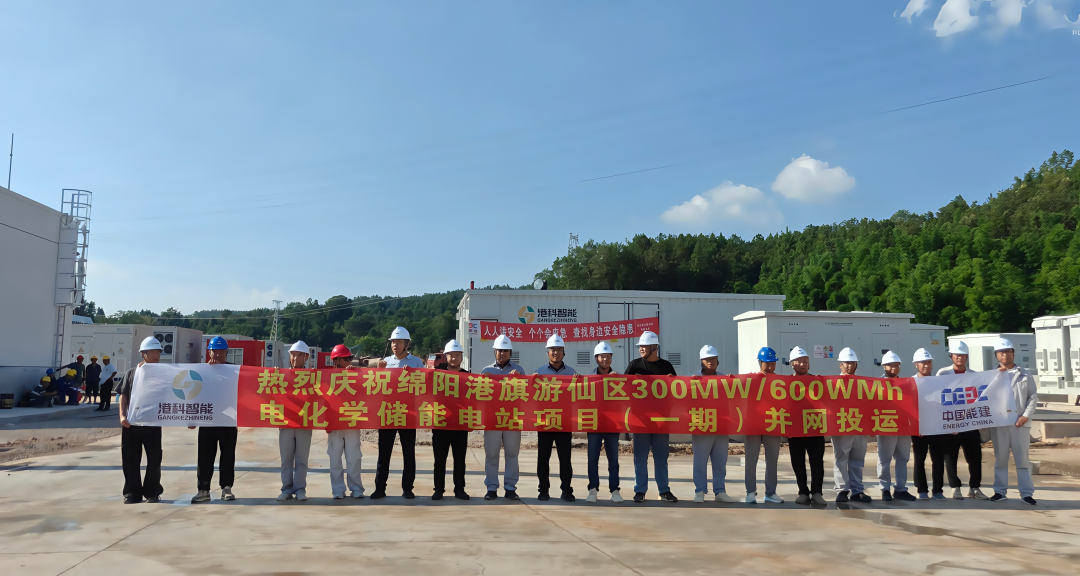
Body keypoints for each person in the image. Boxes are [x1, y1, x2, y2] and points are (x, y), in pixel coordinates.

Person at [625, 330, 678, 503]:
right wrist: (631, 381)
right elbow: (622, 389)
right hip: (640, 419)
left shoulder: (666, 367)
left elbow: (677, 392)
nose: (641, 349)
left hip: (661, 420)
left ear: (654, 347)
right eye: (640, 346)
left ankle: (664, 490)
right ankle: (640, 490)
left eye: (644, 346)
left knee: (661, 457)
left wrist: (672, 381)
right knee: (640, 458)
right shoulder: (634, 366)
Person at [372, 326, 424, 499]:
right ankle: (380, 488)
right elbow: (375, 388)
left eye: (399, 342)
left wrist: (413, 375)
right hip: (388, 412)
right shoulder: (385, 362)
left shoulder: (416, 362)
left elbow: (425, 385)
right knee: (384, 453)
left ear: (407, 344)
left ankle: (408, 488)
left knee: (408, 453)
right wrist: (379, 372)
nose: (395, 345)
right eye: (393, 342)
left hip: (408, 413)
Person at [936, 340, 987, 500]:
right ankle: (955, 487)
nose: (960, 357)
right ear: (951, 356)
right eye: (956, 355)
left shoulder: (974, 375)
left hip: (970, 423)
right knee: (950, 458)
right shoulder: (942, 374)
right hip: (951, 424)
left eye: (963, 355)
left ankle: (975, 487)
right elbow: (939, 398)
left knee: (975, 458)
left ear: (967, 356)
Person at [989, 338, 1038, 505]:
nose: (1004, 355)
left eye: (1007, 351)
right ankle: (999, 491)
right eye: (1001, 352)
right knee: (1001, 459)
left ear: (1013, 353)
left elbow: (1033, 397)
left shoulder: (1025, 374)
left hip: (1020, 424)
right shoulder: (991, 376)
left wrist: (1026, 415)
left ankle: (1026, 493)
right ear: (996, 355)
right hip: (999, 424)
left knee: (1022, 459)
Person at [191, 336, 238, 504]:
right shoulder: (203, 372)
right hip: (207, 420)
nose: (217, 354)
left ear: (226, 352)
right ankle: (203, 490)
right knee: (204, 457)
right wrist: (192, 417)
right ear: (209, 352)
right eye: (214, 351)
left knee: (228, 456)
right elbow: (195, 393)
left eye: (221, 351)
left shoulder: (235, 371)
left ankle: (227, 488)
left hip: (228, 420)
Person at [119, 337, 165, 504]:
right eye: (152, 351)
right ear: (143, 354)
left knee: (154, 459)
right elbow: (123, 395)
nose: (156, 355)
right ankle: (132, 493)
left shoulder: (164, 374)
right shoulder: (132, 373)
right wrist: (122, 416)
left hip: (152, 424)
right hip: (132, 424)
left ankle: (152, 492)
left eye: (158, 351)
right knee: (130, 459)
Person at [481, 334, 525, 500]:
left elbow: (525, 395)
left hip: (512, 418)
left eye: (505, 351)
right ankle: (491, 487)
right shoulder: (486, 371)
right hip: (492, 418)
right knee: (491, 454)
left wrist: (519, 380)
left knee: (512, 454)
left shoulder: (519, 371)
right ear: (495, 352)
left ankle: (510, 487)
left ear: (510, 352)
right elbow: (480, 396)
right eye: (499, 350)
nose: (502, 353)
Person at [533, 333, 577, 502]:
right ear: (548, 353)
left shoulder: (572, 373)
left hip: (564, 422)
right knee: (543, 458)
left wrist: (578, 382)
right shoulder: (539, 372)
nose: (556, 353)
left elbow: (578, 396)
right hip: (545, 421)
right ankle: (543, 490)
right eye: (552, 349)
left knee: (565, 459)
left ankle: (567, 490)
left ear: (563, 352)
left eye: (558, 349)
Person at [692, 345, 736, 504]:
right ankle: (699, 491)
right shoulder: (692, 379)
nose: (710, 362)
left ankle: (720, 491)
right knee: (700, 461)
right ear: (701, 361)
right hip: (702, 425)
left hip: (721, 425)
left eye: (713, 359)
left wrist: (732, 382)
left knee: (720, 461)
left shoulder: (725, 379)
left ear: (718, 361)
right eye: (706, 359)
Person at [432, 339, 471, 501]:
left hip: (460, 424)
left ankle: (459, 489)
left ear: (461, 357)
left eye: (457, 355)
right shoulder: (436, 374)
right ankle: (438, 490)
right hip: (440, 423)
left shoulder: (468, 376)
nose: (454, 358)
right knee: (439, 460)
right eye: (451, 355)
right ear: (446, 356)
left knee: (460, 460)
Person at [831, 348, 871, 503]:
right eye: (846, 363)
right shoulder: (833, 384)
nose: (849, 366)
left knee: (857, 460)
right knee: (841, 459)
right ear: (840, 365)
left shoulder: (864, 384)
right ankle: (842, 490)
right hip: (842, 426)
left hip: (859, 426)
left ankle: (857, 490)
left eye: (852, 363)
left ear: (856, 364)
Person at [788, 346, 827, 506]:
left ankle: (817, 492)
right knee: (798, 463)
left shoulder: (818, 381)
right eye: (799, 361)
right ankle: (803, 492)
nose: (803, 364)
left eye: (805, 361)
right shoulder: (784, 383)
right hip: (795, 429)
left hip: (815, 427)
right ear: (792, 364)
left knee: (817, 462)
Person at [744, 346, 784, 504]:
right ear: (760, 363)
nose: (771, 366)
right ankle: (750, 492)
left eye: (773, 363)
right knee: (751, 459)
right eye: (768, 363)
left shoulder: (781, 382)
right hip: (753, 425)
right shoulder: (751, 380)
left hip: (773, 423)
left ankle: (770, 492)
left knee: (772, 459)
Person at [327, 344, 365, 499]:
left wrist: (353, 376)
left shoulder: (356, 375)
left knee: (353, 457)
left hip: (352, 421)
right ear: (336, 360)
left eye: (350, 358)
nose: (349, 361)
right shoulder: (327, 377)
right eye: (346, 359)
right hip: (335, 423)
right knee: (335, 458)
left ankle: (356, 488)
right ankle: (338, 490)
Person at [586, 342, 623, 503]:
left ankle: (614, 490)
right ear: (596, 359)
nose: (605, 359)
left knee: (613, 460)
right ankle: (593, 489)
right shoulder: (589, 378)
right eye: (602, 357)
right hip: (594, 423)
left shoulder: (618, 378)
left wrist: (618, 381)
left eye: (608, 356)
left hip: (612, 424)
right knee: (592, 459)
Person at [876, 351, 916, 502]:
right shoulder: (876, 384)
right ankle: (885, 488)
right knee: (884, 459)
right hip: (886, 425)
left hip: (903, 426)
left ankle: (900, 488)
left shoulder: (906, 384)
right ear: (884, 366)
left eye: (896, 365)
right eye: (890, 365)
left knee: (903, 458)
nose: (894, 368)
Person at [277, 341, 314, 502]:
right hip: (286, 423)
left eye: (299, 355)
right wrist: (274, 377)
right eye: (293, 355)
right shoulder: (282, 375)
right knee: (286, 459)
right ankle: (286, 489)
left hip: (304, 423)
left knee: (301, 460)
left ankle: (300, 489)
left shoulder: (313, 377)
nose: (295, 358)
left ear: (306, 357)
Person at [911, 348, 949, 500]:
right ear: (916, 364)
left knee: (938, 460)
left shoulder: (938, 382)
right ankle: (922, 490)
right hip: (919, 428)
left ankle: (938, 490)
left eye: (928, 362)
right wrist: (915, 425)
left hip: (937, 427)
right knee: (919, 459)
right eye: (922, 362)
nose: (926, 365)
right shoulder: (911, 383)